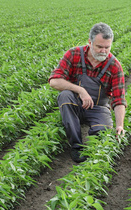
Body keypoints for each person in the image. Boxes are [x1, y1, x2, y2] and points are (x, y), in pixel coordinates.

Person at [49, 22, 126, 163]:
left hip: (98, 108)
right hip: (76, 103)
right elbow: (54, 81)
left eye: (107, 47)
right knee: (64, 96)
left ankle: (94, 149)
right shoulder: (74, 54)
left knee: (102, 134)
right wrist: (80, 90)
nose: (103, 51)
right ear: (90, 42)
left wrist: (120, 125)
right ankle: (76, 146)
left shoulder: (114, 66)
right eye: (99, 47)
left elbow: (119, 99)